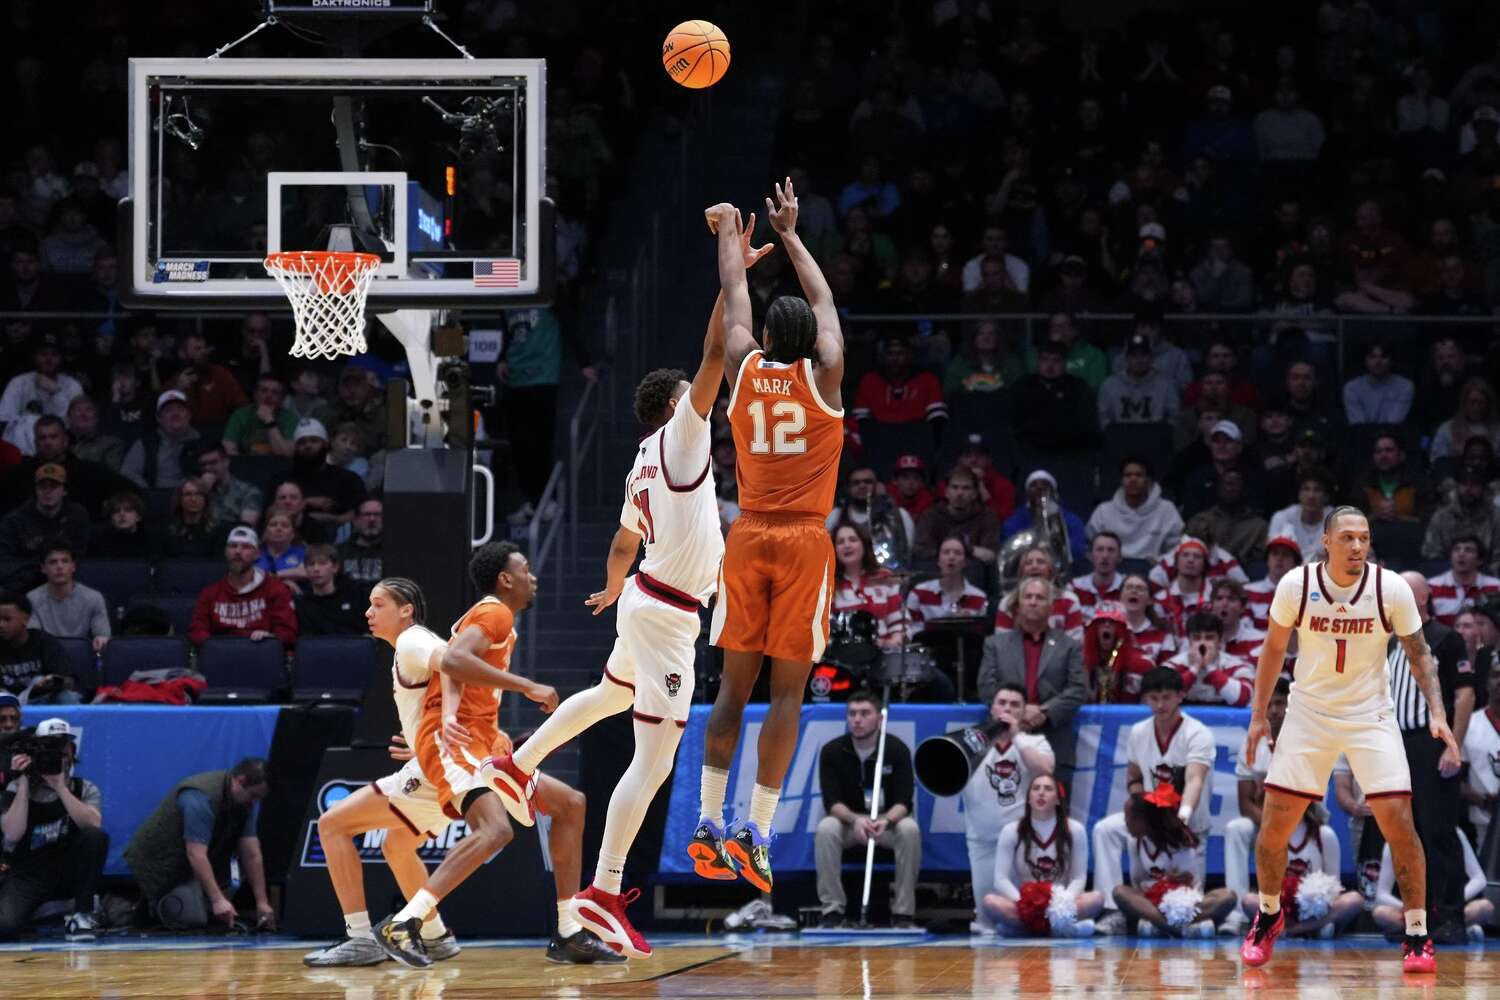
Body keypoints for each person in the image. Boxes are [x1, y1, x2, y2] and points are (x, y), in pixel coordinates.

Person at [484, 205, 755, 959]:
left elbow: (621, 539)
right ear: (677, 407)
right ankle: (603, 890)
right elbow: (715, 351)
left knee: (607, 695)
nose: (711, 403)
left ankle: (518, 761)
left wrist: (610, 588)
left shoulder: (645, 457)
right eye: (697, 398)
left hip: (644, 597)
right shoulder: (682, 434)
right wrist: (731, 263)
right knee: (654, 757)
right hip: (666, 615)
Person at [696, 180, 845, 897]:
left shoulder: (743, 368)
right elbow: (826, 305)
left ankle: (705, 820)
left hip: (746, 535)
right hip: (802, 542)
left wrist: (732, 233)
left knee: (732, 688)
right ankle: (755, 830)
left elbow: (733, 295)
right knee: (786, 694)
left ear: (764, 339)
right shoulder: (827, 377)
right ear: (810, 344)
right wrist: (792, 233)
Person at [1241, 506, 1458, 972]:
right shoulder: (1296, 586)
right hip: (1308, 712)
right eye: (1347, 538)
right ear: (1326, 540)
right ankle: (1269, 914)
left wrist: (1437, 712)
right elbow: (1274, 649)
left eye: (1364, 538)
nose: (1357, 546)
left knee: (1400, 821)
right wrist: (1259, 716)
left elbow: (1420, 655)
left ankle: (1417, 932)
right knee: (1274, 827)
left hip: (1370, 714)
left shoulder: (1391, 587)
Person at [372, 542, 611, 968]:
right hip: (457, 742)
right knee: (495, 830)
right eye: (525, 568)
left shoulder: (497, 620)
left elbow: (454, 664)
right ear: (505, 579)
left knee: (570, 805)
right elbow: (456, 660)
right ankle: (406, 922)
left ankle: (569, 930)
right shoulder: (494, 612)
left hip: (484, 740)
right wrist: (528, 686)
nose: (532, 576)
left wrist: (445, 713)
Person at [301, 577, 531, 966]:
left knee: (332, 825)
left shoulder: (412, 640)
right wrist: (429, 732)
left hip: (436, 767)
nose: (368, 613)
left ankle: (360, 938)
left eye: (378, 605)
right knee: (396, 844)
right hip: (434, 760)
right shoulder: (408, 647)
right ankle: (435, 934)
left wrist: (449, 720)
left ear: (406, 609)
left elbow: (454, 662)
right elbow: (449, 673)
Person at [1387, 571, 1476, 944]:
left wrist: (1452, 745)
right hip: (1395, 745)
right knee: (1408, 834)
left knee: (1439, 830)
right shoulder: (1388, 643)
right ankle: (1418, 918)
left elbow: (1465, 695)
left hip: (1431, 745)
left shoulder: (1445, 638)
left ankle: (1451, 914)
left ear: (1422, 597)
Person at [1092, 667, 1215, 935]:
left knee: (1189, 900)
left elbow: (1195, 779)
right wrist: (1140, 808)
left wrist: (1181, 816)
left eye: (1166, 697)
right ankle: (1114, 913)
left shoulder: (1198, 733)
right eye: (1153, 698)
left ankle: (1182, 922)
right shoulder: (1138, 732)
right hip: (1152, 822)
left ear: (1180, 696)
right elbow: (1134, 777)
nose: (1159, 705)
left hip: (1188, 821)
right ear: (1146, 698)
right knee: (1106, 830)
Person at [124, 758, 274, 930]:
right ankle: (131, 906)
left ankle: (202, 901)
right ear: (239, 782)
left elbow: (252, 854)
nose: (254, 802)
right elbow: (196, 854)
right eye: (253, 796)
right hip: (161, 865)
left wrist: (262, 902)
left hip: (193, 866)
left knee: (216, 910)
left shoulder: (243, 803)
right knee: (193, 918)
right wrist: (217, 900)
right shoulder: (200, 797)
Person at [813, 691, 921, 928]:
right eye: (852, 714)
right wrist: (855, 820)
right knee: (826, 828)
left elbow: (904, 801)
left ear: (879, 719)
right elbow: (831, 802)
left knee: (909, 828)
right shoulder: (832, 751)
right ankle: (832, 910)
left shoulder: (896, 749)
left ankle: (904, 913)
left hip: (886, 822)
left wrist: (886, 821)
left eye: (864, 713)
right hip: (849, 822)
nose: (857, 720)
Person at [0, 719, 106, 942]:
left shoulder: (84, 787)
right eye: (48, 750)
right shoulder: (16, 787)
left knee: (95, 837)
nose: (56, 756)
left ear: (72, 753)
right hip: (30, 873)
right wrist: (23, 783)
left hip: (68, 870)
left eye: (62, 751)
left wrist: (60, 787)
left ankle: (82, 912)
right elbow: (11, 834)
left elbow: (93, 826)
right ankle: (49, 909)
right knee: (5, 927)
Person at [977, 578, 1087, 790]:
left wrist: (1044, 711)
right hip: (1003, 742)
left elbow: (1078, 689)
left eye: (1040, 597)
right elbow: (986, 687)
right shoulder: (995, 645)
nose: (1033, 602)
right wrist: (1017, 712)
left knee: (1056, 817)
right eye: (1028, 597)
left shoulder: (1069, 646)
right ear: (1017, 605)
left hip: (1054, 742)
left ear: (1051, 607)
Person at [963, 685, 1055, 934]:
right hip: (983, 841)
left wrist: (1017, 736)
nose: (1007, 708)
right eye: (1002, 702)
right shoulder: (972, 743)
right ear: (992, 708)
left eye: (1015, 704)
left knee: (1026, 911)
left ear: (1024, 712)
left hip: (1023, 843)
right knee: (987, 920)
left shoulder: (1036, 741)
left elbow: (1045, 771)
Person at [1111, 780, 1237, 937]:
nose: (1125, 822)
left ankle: (1162, 925)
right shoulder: (1134, 842)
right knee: (1120, 892)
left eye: (1129, 818)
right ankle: (1180, 928)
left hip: (1185, 904)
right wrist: (1164, 882)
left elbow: (1190, 887)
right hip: (1152, 903)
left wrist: (1167, 885)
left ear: (1144, 820)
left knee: (1228, 897)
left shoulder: (1182, 843)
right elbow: (1138, 884)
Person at [982, 772, 1099, 937]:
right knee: (990, 902)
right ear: (1029, 798)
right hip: (1024, 904)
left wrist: (1062, 903)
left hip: (1059, 905)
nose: (1041, 792)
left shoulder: (1075, 830)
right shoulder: (1011, 830)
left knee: (1096, 899)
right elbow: (1000, 880)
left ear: (1058, 799)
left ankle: (1021, 930)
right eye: (1036, 788)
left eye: (1048, 789)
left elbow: (1078, 878)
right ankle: (1064, 930)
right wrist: (1025, 904)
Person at [1237, 800, 1363, 940]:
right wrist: (1286, 898)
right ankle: (1316, 928)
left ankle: (1290, 930)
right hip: (1283, 908)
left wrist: (1315, 899)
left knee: (1354, 900)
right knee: (1249, 901)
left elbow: (1335, 885)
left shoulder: (1324, 834)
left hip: (1318, 909)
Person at [1223, 678, 1291, 935]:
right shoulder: (1251, 743)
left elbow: (1312, 800)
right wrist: (1269, 825)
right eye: (1269, 704)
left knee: (1326, 834)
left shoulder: (1305, 739)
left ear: (1289, 705)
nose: (1273, 710)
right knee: (1236, 828)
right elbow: (1244, 803)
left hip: (1300, 821)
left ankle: (1306, 907)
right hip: (1263, 820)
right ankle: (1237, 913)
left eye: (1279, 703)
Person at [185, 527, 298, 648]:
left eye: (246, 547)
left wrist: (270, 638)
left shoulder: (276, 589)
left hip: (261, 654)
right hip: (221, 656)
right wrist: (216, 646)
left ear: (257, 554)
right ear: (225, 551)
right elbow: (197, 631)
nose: (238, 551)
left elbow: (288, 632)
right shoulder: (210, 593)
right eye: (233, 546)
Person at [1373, 832, 1493, 943]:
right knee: (1381, 914)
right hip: (1413, 914)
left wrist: (1452, 903)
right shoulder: (1396, 838)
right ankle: (1447, 932)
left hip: (1447, 912)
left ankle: (1424, 934)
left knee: (1484, 907)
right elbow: (1382, 894)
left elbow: (1479, 879)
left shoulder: (1454, 833)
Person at [266, 419, 367, 532]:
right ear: (295, 448)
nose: (308, 445)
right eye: (302, 442)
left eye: (314, 441)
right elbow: (269, 513)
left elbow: (359, 514)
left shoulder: (349, 479)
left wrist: (330, 518)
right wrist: (306, 502)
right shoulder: (281, 478)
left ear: (325, 444)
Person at [1085, 457, 1183, 560]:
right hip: (1112, 572)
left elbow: (1177, 548)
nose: (1133, 479)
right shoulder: (1103, 511)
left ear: (1148, 481)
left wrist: (1160, 562)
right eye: (1128, 475)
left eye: (1138, 475)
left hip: (1154, 572)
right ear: (1121, 480)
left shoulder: (1167, 510)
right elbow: (1088, 547)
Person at [832, 523, 908, 649]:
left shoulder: (884, 578)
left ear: (864, 544)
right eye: (840, 542)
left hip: (885, 656)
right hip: (843, 658)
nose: (847, 545)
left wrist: (892, 643)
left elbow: (899, 623)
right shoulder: (828, 585)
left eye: (853, 540)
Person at [826, 466, 915, 567]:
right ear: (848, 488)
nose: (862, 486)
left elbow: (907, 553)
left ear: (879, 486)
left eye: (868, 482)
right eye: (856, 483)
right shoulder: (835, 516)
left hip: (889, 578)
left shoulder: (900, 515)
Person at [25, 545, 109, 652]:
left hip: (82, 655)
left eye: (65, 561)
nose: (59, 566)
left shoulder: (93, 598)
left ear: (73, 567)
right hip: (47, 656)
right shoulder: (32, 598)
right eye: (53, 562)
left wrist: (101, 639)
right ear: (43, 568)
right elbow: (33, 639)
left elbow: (103, 636)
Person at [0, 464, 91, 561]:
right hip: (25, 573)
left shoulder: (77, 516)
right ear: (36, 490)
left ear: (64, 491)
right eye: (42, 486)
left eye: (54, 486)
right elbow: (5, 559)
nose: (48, 491)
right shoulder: (15, 521)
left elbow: (82, 555)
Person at [0, 592, 77, 703]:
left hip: (41, 699)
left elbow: (70, 682)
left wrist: (52, 682)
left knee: (67, 696)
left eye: (7, 619)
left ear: (25, 619)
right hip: (5, 704)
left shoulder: (45, 642)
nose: (1, 625)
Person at [913, 465, 1002, 561]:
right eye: (955, 487)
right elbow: (919, 551)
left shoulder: (987, 516)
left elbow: (991, 555)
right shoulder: (931, 515)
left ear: (974, 494)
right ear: (946, 492)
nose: (959, 493)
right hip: (936, 568)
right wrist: (948, 551)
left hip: (973, 569)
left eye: (966, 488)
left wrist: (968, 548)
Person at [1165, 611, 1253, 706]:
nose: (1203, 643)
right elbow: (1164, 697)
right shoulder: (1172, 665)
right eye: (1197, 638)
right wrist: (1194, 669)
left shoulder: (1236, 666)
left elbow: (1243, 697)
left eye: (1209, 638)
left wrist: (1211, 668)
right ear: (1188, 640)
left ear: (1220, 640)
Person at [120, 390, 201, 490]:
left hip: (195, 497)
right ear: (159, 418)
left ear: (189, 415)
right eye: (168, 410)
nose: (175, 414)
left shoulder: (203, 442)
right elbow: (128, 473)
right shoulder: (145, 443)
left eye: (180, 409)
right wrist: (148, 493)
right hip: (156, 498)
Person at [1422, 466, 1500, 569]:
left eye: (1474, 485)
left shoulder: (1495, 516)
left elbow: (1498, 556)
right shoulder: (1442, 516)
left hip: (1487, 576)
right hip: (1447, 576)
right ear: (1457, 486)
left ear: (1483, 488)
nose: (1468, 489)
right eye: (1464, 484)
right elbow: (1431, 552)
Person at [1097, 333, 1179, 429]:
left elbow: (1174, 418)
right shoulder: (1109, 386)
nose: (1139, 360)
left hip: (1155, 440)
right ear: (1126, 358)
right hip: (1120, 440)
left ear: (1152, 358)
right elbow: (1103, 419)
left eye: (1144, 354)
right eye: (1134, 355)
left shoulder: (1166, 385)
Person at [907, 535, 987, 627]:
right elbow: (912, 631)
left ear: (965, 561)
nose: (951, 557)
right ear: (938, 560)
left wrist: (967, 625)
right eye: (946, 552)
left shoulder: (979, 597)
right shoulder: (919, 593)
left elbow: (979, 636)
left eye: (957, 553)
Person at [1461, 663, 1500, 852]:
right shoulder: (1469, 724)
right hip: (1483, 826)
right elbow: (1456, 782)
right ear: (1486, 683)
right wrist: (1483, 801)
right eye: (1496, 675)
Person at [1191, 469, 1267, 564]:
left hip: (1242, 574)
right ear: (1219, 489)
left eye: (1235, 484)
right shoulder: (1201, 520)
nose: (1230, 489)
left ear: (1245, 490)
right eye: (1226, 484)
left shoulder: (1259, 526)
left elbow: (1260, 561)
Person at [1427, 536, 1500, 627]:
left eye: (1468, 550)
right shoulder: (1431, 586)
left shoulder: (1496, 587)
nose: (1461, 554)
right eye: (1457, 550)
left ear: (1480, 560)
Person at [294, 544, 365, 636]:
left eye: (322, 563)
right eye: (311, 564)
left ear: (335, 567)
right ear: (305, 569)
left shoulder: (355, 596)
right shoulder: (301, 603)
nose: (316, 569)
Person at [222, 374, 298, 457]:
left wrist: (269, 420)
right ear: (255, 394)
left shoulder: (290, 418)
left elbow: (286, 454)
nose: (269, 396)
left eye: (275, 393)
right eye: (264, 390)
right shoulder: (240, 415)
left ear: (282, 399)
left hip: (279, 466)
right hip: (247, 464)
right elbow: (228, 450)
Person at [1266, 470, 1333, 563]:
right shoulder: (1282, 517)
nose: (1311, 496)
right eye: (1306, 489)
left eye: (1317, 490)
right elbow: (1274, 556)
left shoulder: (1337, 520)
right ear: (1299, 494)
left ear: (1326, 497)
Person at [1343, 340, 1414, 425]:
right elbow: (1358, 425)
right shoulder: (1352, 388)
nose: (1378, 362)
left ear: (1391, 361)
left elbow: (1393, 425)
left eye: (1383, 357)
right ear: (1365, 360)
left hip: (1393, 436)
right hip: (1361, 436)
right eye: (1372, 357)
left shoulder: (1405, 386)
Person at [195, 442, 263, 529]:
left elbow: (246, 527)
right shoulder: (195, 492)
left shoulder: (248, 491)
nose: (207, 468)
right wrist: (203, 492)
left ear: (226, 462)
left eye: (213, 462)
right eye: (203, 464)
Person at [161, 476, 226, 559]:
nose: (193, 499)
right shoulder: (167, 530)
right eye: (188, 494)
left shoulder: (218, 530)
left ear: (205, 499)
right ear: (179, 500)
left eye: (198, 494)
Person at [1247, 537, 1301, 630]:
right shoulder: (1247, 591)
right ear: (1267, 560)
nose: (1279, 558)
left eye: (1286, 555)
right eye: (1275, 553)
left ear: (1295, 564)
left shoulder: (1303, 595)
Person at [1070, 531, 1123, 623]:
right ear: (1090, 556)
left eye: (1111, 550)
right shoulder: (1074, 587)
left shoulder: (1128, 587)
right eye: (1100, 549)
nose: (1105, 556)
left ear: (1119, 557)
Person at [338, 498, 384, 588]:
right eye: (366, 514)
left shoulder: (397, 553)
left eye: (377, 514)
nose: (372, 519)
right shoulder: (339, 552)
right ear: (355, 520)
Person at [255, 511, 307, 588]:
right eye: (273, 525)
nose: (278, 528)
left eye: (285, 526)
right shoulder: (254, 553)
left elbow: (306, 572)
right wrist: (284, 583)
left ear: (292, 534)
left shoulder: (302, 552)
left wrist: (275, 575)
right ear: (265, 532)